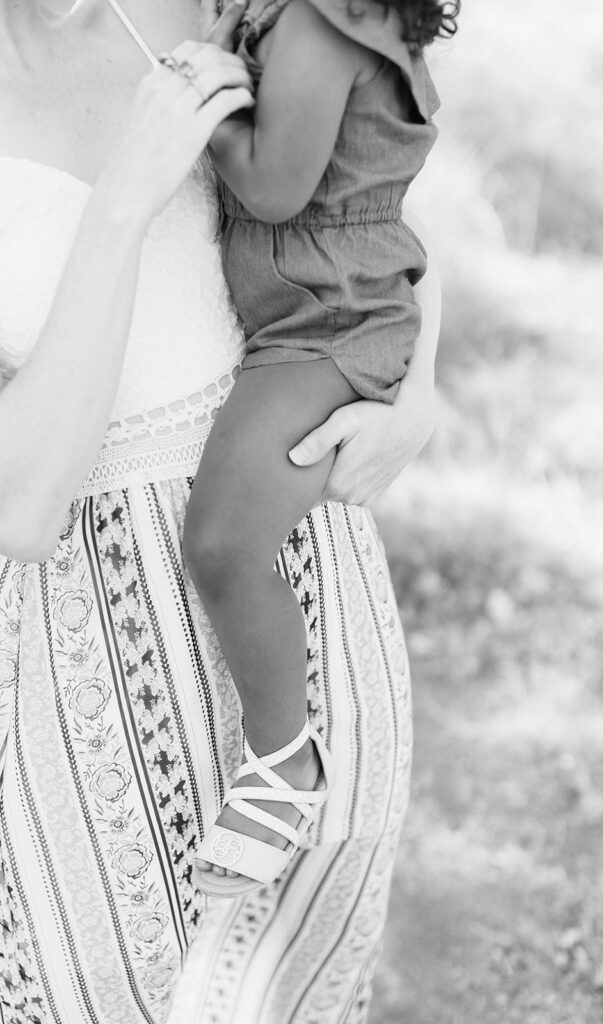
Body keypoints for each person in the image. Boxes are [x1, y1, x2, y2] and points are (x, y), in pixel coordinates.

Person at [0, 1, 440, 1022]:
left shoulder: (191, 8)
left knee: (294, 993)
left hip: (302, 626)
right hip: (76, 698)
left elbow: (376, 177)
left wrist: (418, 385)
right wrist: (120, 203)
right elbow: (14, 505)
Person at [184, 0, 456, 897]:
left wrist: (197, 93)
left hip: (327, 322)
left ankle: (282, 763)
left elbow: (271, 188)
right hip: (315, 311)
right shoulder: (305, 17)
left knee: (223, 543)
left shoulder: (316, 22)